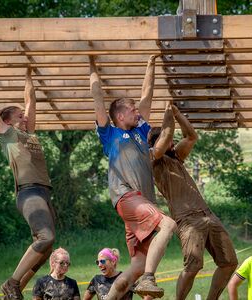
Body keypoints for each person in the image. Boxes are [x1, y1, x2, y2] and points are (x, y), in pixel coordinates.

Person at [89, 54, 177, 300]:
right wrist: (92, 66)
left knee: (137, 265)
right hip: (126, 196)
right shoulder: (110, 134)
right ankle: (149, 279)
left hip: (143, 204)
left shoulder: (140, 132)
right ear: (119, 116)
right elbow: (97, 99)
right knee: (168, 225)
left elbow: (146, 96)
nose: (137, 111)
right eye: (132, 109)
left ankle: (112, 296)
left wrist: (151, 65)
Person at [0, 68, 56, 299]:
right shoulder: (6, 134)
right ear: (7, 121)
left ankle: (13, 292)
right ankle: (12, 283)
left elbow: (30, 99)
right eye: (19, 116)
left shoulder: (30, 134)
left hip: (44, 193)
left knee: (46, 250)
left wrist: (28, 73)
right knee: (46, 237)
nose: (24, 118)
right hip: (29, 192)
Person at [147, 104, 238, 300]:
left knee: (229, 262)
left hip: (207, 215)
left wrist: (178, 114)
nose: (173, 143)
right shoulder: (154, 159)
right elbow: (166, 137)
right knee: (193, 265)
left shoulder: (176, 158)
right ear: (159, 142)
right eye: (169, 140)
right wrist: (168, 114)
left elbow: (191, 137)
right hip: (187, 219)